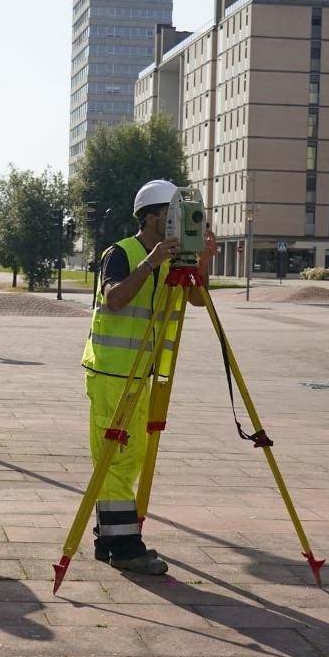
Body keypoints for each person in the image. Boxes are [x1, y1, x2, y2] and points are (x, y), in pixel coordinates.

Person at [80, 179, 218, 574]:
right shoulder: (122, 253)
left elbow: (196, 299)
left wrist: (200, 262)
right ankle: (124, 548)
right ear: (155, 217)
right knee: (117, 458)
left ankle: (111, 540)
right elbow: (114, 299)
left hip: (143, 373)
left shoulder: (174, 256)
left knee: (131, 456)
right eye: (175, 215)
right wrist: (151, 263)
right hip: (111, 372)